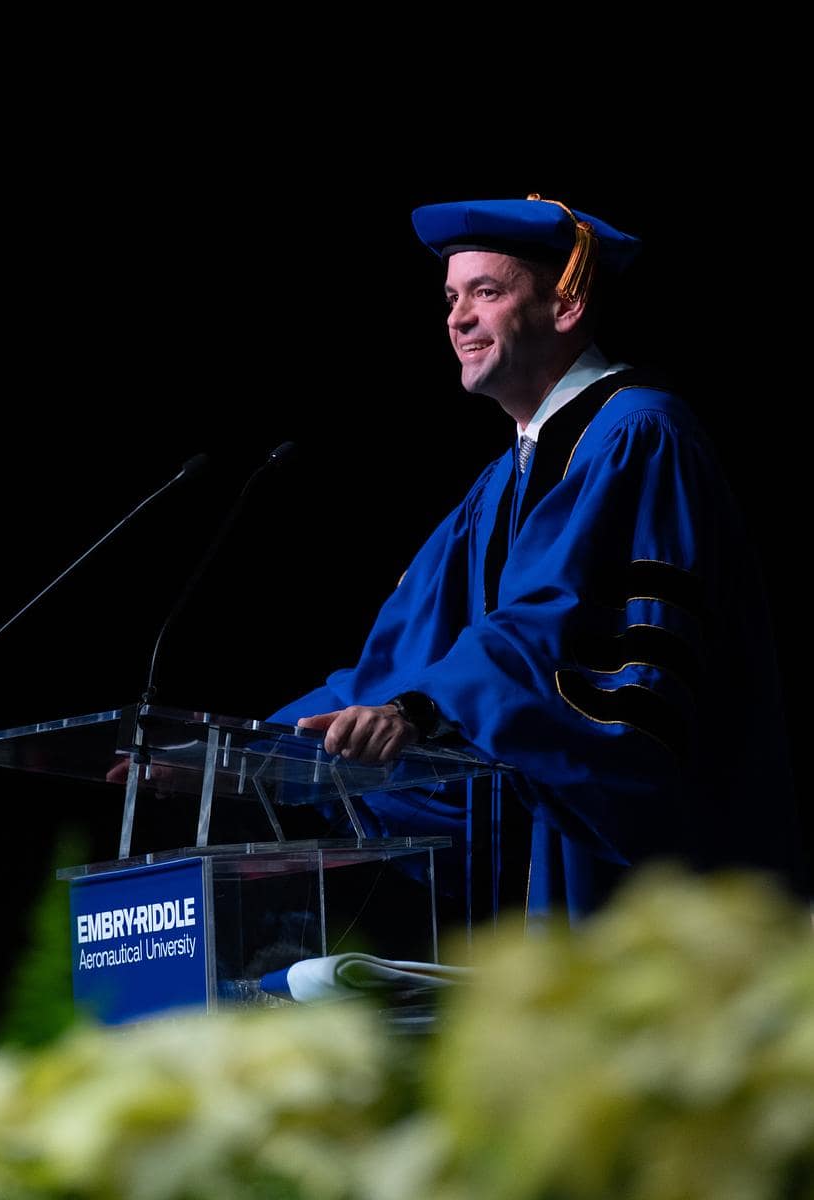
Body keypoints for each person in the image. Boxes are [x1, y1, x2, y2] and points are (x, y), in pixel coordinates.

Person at [268, 193, 805, 923]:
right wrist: (262, 748)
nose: (458, 318)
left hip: (648, 869)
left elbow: (557, 627)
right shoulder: (500, 483)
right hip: (539, 855)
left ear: (567, 306)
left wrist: (422, 709)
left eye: (486, 293)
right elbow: (410, 643)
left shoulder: (640, 433)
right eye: (452, 297)